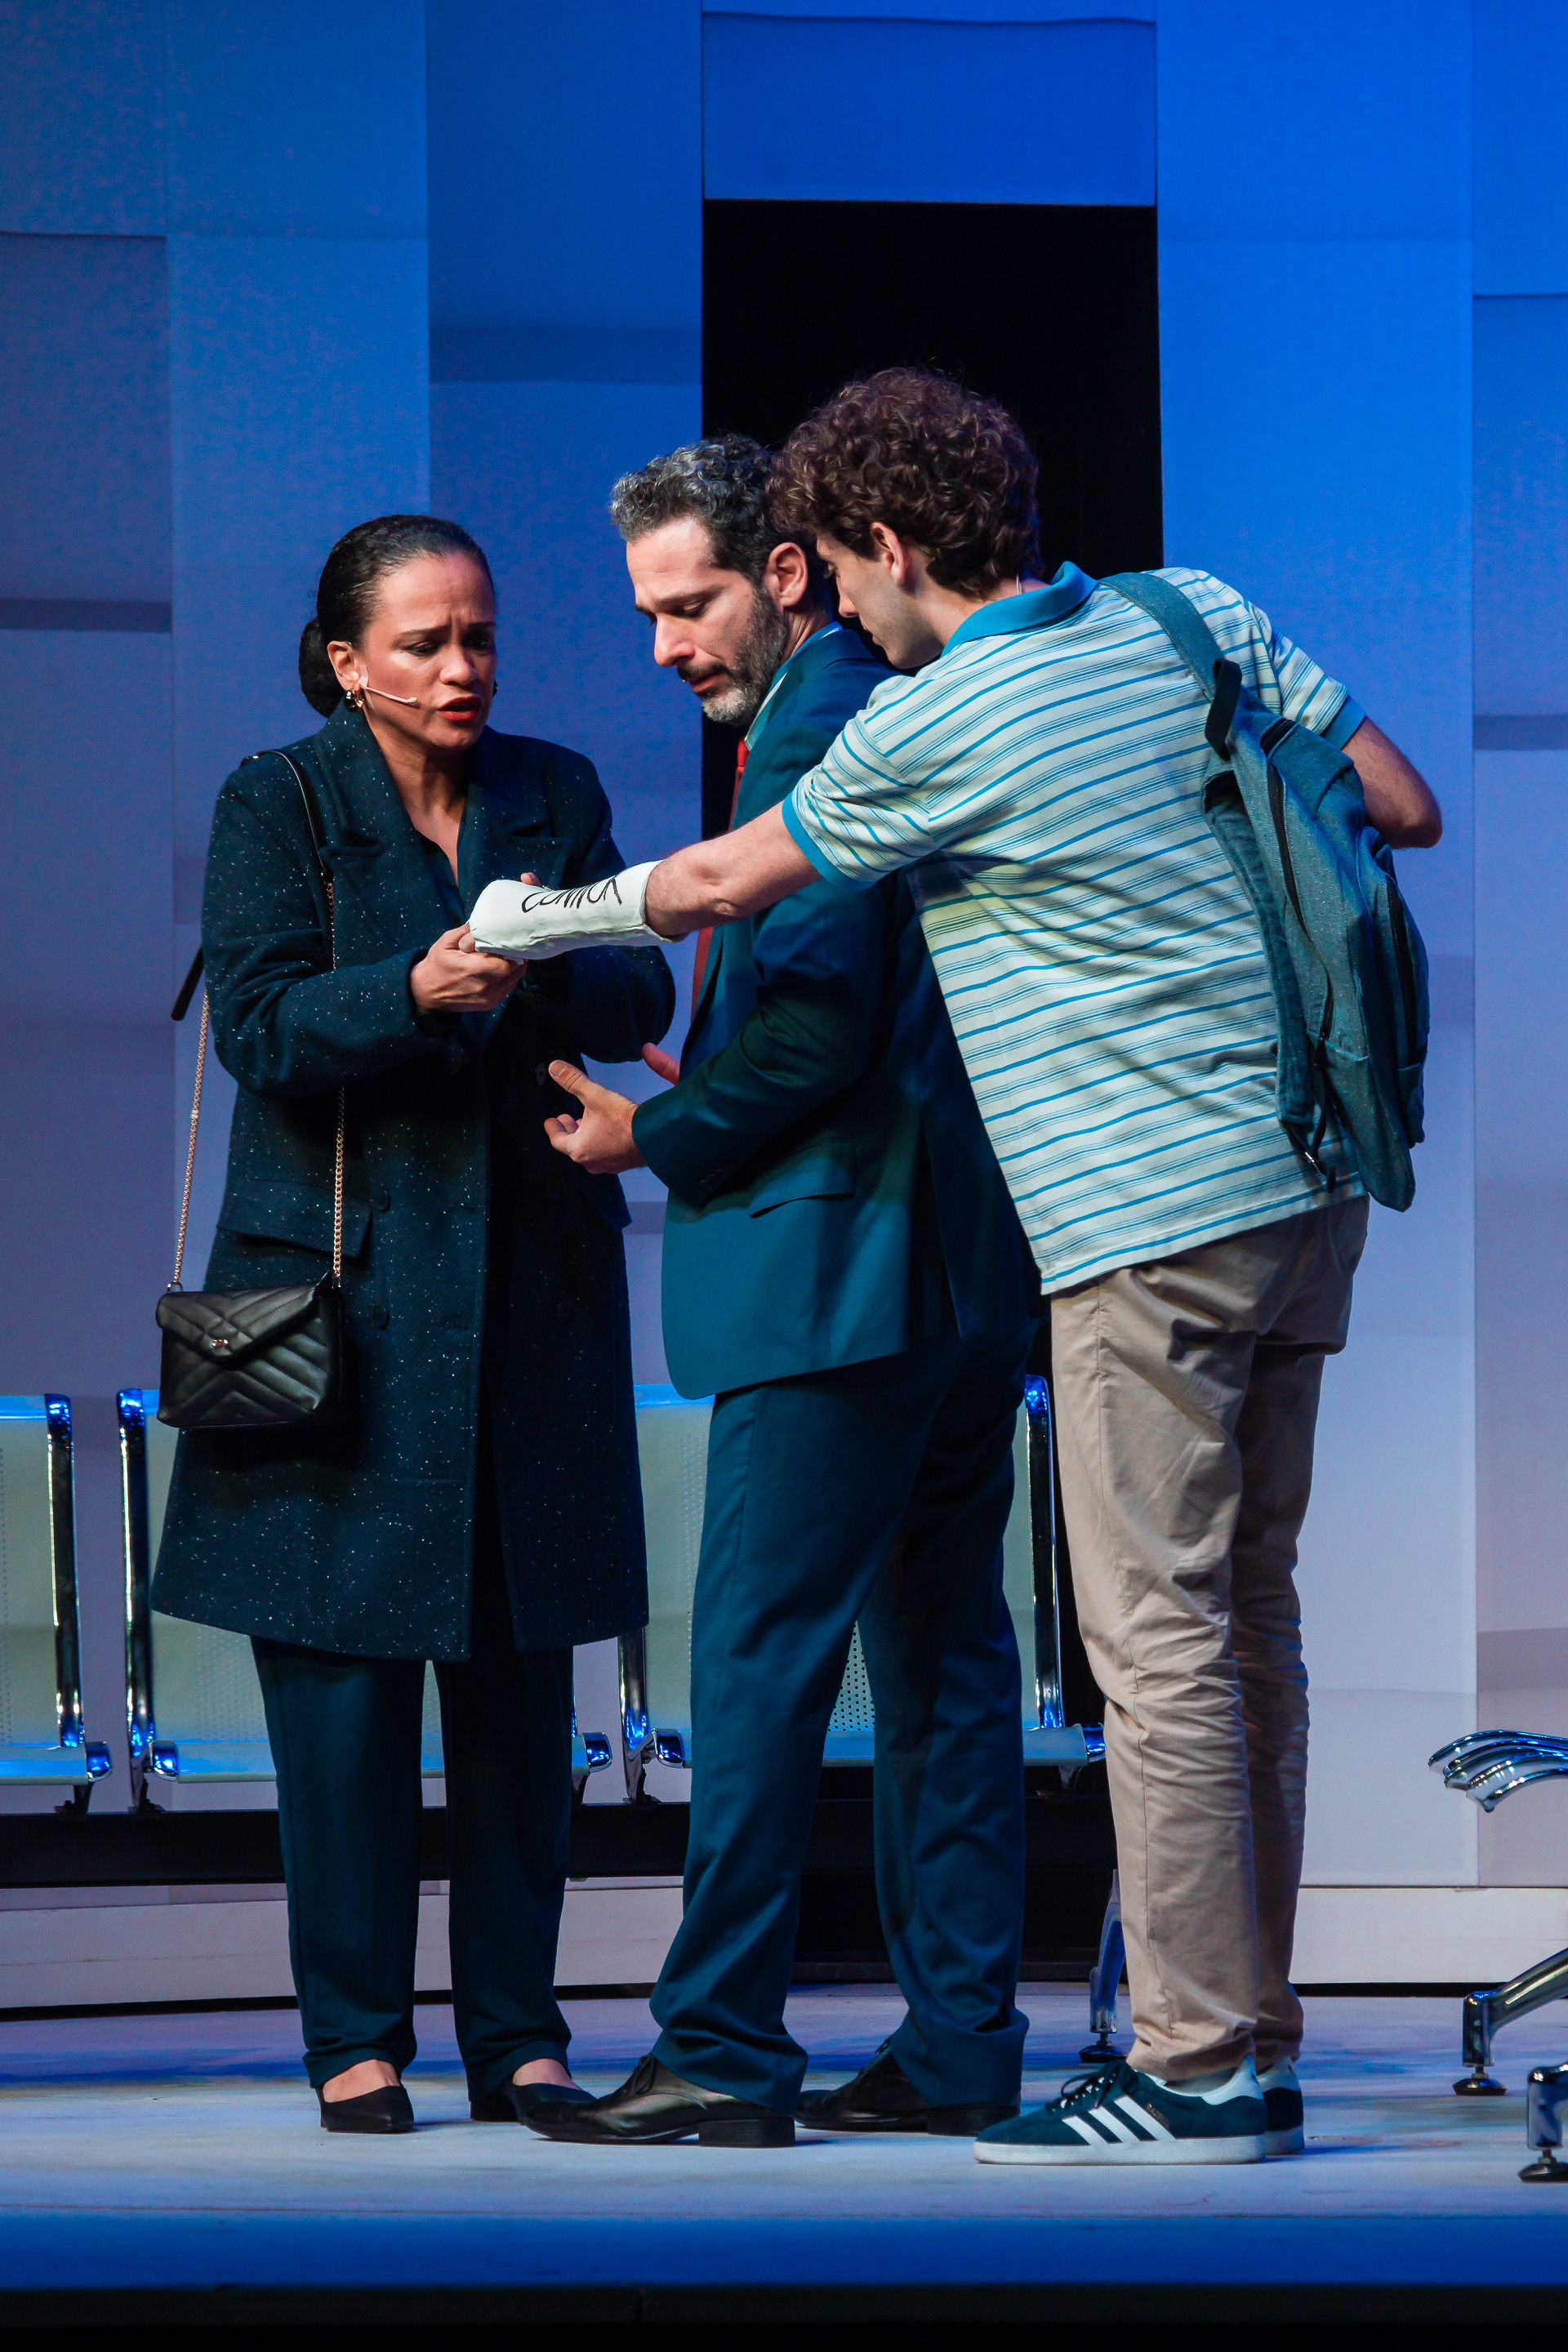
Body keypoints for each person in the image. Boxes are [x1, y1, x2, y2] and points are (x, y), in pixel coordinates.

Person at [474, 372, 1443, 2166]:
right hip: (1302, 1183)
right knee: (1235, 1628)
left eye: (832, 571)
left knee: (1146, 1646)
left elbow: (717, 896)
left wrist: (524, 926)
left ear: (882, 545)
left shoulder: (927, 717)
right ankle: (1225, 2040)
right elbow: (1398, 799)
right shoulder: (1187, 610)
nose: (839, 609)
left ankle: (1190, 2070)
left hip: (1120, 1220)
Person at [519, 437, 1036, 2150]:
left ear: (792, 573)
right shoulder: (892, 706)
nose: (668, 644)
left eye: (691, 603)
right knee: (947, 1662)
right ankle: (960, 2046)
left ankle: (726, 2049)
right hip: (953, 1276)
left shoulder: (819, 726)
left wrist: (652, 1132)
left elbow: (817, 1035)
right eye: (650, 615)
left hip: (835, 1279)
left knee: (756, 1659)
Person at [153, 514, 674, 2133]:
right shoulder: (281, 798)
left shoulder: (553, 786)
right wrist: (412, 992)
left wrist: (540, 962)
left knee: (523, 1696)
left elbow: (642, 992)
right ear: (348, 662)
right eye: (427, 643)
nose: (464, 668)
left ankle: (521, 2038)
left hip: (531, 1296)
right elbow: (257, 1026)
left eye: (480, 637)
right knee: (341, 1703)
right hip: (347, 1301)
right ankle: (355, 2040)